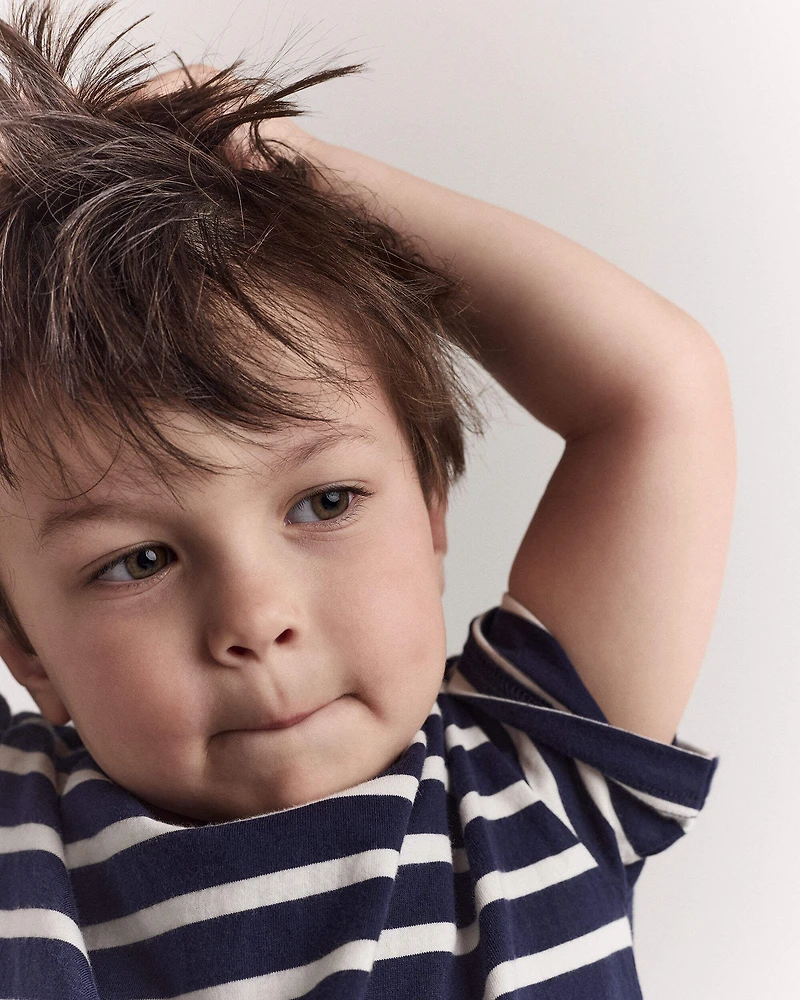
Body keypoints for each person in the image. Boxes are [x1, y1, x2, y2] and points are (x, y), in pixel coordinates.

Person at [0, 2, 736, 997]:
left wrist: (285, 166)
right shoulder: (24, 848)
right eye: (140, 560)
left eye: (324, 502)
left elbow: (655, 391)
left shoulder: (531, 772)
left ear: (432, 503)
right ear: (27, 646)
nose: (257, 620)